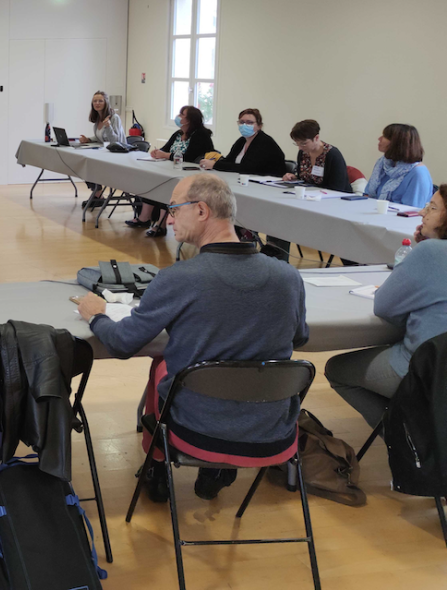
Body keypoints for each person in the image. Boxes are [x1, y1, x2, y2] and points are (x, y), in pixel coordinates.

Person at [77, 175, 308, 502]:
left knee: (163, 364)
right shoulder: (288, 277)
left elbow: (122, 343)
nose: (168, 218)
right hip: (272, 431)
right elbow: (300, 336)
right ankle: (214, 469)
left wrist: (96, 314)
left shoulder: (178, 279)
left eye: (173, 209)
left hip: (198, 431)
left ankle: (157, 466)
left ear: (201, 210)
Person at [325, 184, 447, 428]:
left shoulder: (431, 252)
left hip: (425, 371)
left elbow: (383, 306)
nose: (423, 213)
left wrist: (419, 249)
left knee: (337, 369)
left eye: (432, 208)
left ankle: (402, 439)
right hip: (437, 371)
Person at [127, 105, 214, 237]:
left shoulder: (201, 135)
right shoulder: (178, 134)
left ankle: (161, 225)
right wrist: (158, 152)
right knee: (152, 179)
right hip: (172, 169)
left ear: (190, 119)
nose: (178, 117)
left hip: (191, 173)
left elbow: (189, 157)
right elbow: (166, 148)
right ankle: (144, 218)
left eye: (182, 115)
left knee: (166, 185)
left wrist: (165, 155)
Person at [363, 123, 434, 208]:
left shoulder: (418, 173)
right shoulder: (382, 163)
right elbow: (367, 195)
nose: (379, 139)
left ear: (398, 143)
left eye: (385, 136)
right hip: (373, 214)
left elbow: (411, 211)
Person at [201, 108, 287, 176]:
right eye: (242, 122)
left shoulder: (265, 142)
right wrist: (212, 162)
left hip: (267, 183)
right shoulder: (242, 141)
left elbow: (248, 168)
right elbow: (229, 160)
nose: (244, 125)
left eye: (249, 123)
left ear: (259, 126)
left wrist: (215, 165)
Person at [79, 91, 126, 209]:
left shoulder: (114, 118)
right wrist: (88, 139)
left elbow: (115, 140)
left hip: (117, 154)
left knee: (91, 163)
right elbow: (100, 137)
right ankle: (97, 192)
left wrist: (108, 126)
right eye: (95, 101)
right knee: (84, 161)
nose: (97, 103)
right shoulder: (97, 119)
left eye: (100, 101)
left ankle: (98, 193)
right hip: (105, 153)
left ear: (106, 103)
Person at [282, 119, 351, 192]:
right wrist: (294, 178)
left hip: (333, 197)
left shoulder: (332, 154)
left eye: (303, 143)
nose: (300, 147)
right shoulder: (303, 153)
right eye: (297, 144)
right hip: (310, 195)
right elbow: (303, 179)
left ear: (316, 138)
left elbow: (338, 186)